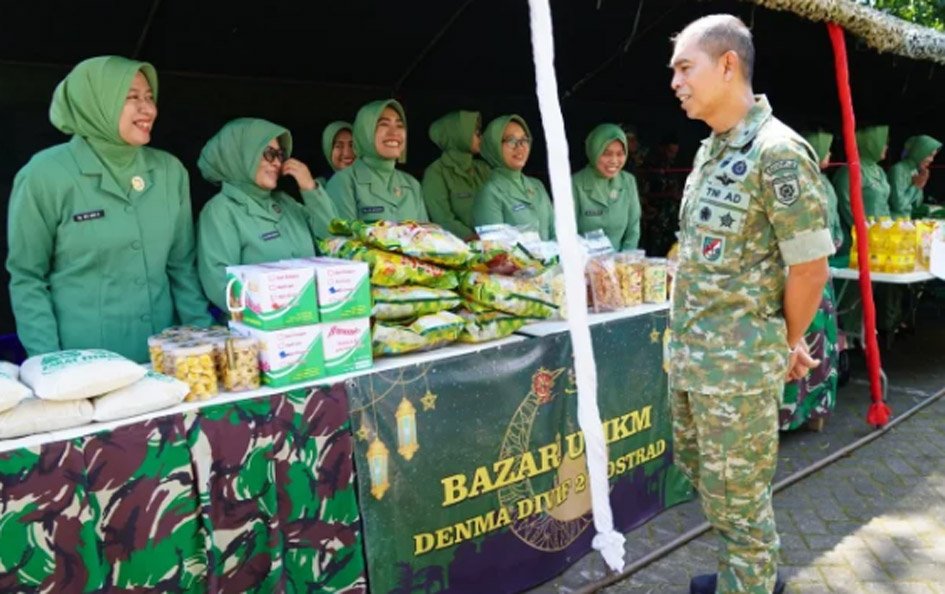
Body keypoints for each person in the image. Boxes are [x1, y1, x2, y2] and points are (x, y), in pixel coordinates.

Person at [668, 15, 833, 594]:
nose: (675, 82)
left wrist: (781, 343)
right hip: (696, 364)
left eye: (684, 68)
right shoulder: (712, 150)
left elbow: (809, 267)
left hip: (736, 375)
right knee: (714, 489)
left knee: (742, 511)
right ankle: (740, 576)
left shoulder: (776, 153)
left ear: (727, 65)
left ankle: (750, 581)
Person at [6, 56, 211, 363]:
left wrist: (206, 343)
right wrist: (50, 364)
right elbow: (28, 277)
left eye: (149, 97)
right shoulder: (45, 175)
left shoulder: (170, 171)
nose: (148, 109)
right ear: (96, 102)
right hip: (86, 367)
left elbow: (181, 267)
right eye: (131, 97)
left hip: (165, 363)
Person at [196, 118, 330, 312]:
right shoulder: (220, 212)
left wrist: (310, 189)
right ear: (240, 154)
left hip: (308, 323)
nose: (276, 162)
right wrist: (277, 315)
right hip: (261, 327)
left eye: (279, 155)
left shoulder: (286, 203)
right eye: (268, 153)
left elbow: (334, 244)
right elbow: (221, 286)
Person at [779, 130, 844, 431]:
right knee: (800, 343)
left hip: (813, 274)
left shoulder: (820, 183)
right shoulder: (799, 185)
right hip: (800, 274)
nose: (830, 156)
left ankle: (809, 411)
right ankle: (798, 414)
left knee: (814, 346)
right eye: (826, 150)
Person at [326, 99, 428, 223]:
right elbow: (342, 235)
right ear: (365, 131)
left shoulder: (412, 185)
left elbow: (425, 233)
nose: (394, 132)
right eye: (384, 124)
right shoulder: (344, 182)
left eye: (400, 126)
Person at [473, 114, 555, 240]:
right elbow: (495, 248)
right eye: (511, 141)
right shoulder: (489, 193)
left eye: (524, 140)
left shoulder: (537, 186)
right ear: (494, 146)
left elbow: (556, 234)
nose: (520, 146)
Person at [421, 110, 491, 240]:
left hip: (495, 244)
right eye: (476, 133)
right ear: (458, 135)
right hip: (458, 247)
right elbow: (442, 218)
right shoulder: (436, 173)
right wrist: (472, 238)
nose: (481, 137)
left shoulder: (483, 168)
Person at [571, 123, 642, 250]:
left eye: (620, 154)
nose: (614, 160)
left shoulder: (628, 181)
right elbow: (566, 233)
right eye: (606, 154)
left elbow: (633, 231)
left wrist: (624, 259)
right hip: (583, 261)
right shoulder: (575, 183)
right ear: (594, 151)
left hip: (620, 261)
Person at [831, 125, 890, 256]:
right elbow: (847, 207)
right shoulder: (850, 171)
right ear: (871, 144)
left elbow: (885, 205)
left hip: (881, 238)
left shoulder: (879, 170)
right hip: (857, 243)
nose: (886, 147)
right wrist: (867, 234)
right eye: (883, 142)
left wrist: (888, 230)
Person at [642, 132, 685, 256]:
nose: (672, 155)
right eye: (670, 151)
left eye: (674, 153)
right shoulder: (650, 166)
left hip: (671, 217)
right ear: (662, 148)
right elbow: (644, 191)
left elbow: (676, 187)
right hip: (655, 217)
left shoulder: (672, 166)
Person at [888, 134, 941, 219]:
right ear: (919, 152)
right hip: (894, 222)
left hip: (908, 220)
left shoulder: (915, 171)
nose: (932, 160)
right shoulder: (898, 170)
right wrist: (917, 186)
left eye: (933, 156)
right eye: (930, 155)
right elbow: (898, 205)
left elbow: (915, 204)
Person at [316, 120, 355, 188]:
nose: (347, 153)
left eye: (352, 145)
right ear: (328, 150)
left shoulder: (372, 179)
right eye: (338, 146)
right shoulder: (319, 187)